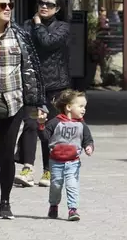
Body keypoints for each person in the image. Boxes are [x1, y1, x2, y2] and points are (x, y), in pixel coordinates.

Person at [0, 0, 47, 222]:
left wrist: (38, 103)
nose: (8, 8)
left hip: (13, 103)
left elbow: (30, 70)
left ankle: (5, 203)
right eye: (1, 6)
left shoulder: (20, 34)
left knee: (7, 156)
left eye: (10, 4)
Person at [15, 0, 71, 188]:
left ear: (57, 9)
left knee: (47, 129)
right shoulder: (26, 26)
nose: (44, 6)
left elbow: (47, 43)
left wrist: (38, 25)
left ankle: (48, 170)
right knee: (30, 125)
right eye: (41, 2)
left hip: (56, 86)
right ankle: (28, 168)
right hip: (32, 85)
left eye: (49, 4)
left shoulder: (62, 28)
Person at [38, 89, 94, 221]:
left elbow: (88, 138)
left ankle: (72, 210)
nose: (83, 109)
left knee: (72, 185)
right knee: (56, 185)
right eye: (80, 106)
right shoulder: (55, 122)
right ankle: (53, 205)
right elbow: (44, 137)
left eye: (84, 107)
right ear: (68, 107)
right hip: (56, 161)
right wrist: (41, 124)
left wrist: (89, 147)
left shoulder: (81, 124)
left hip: (73, 162)